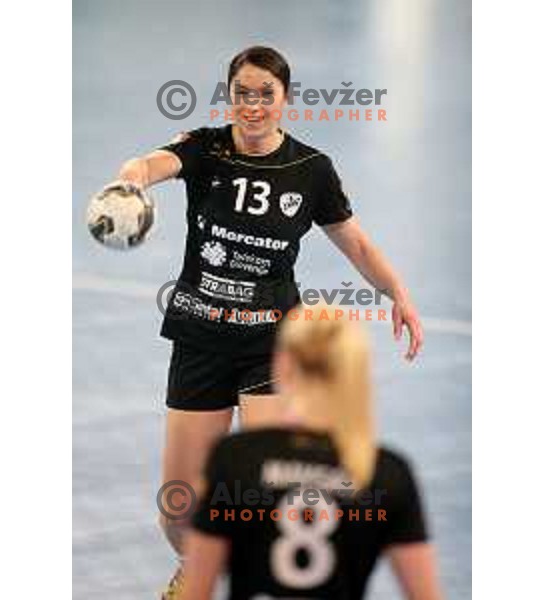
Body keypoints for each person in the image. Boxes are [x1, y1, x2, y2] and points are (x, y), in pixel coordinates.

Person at [111, 46, 423, 595]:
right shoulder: (205, 148)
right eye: (241, 94)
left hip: (270, 344)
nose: (252, 106)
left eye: (265, 95)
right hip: (200, 339)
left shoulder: (310, 170)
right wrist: (130, 180)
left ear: (285, 99)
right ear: (229, 96)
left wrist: (396, 291)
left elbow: (357, 244)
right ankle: (199, 565)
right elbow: (151, 164)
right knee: (176, 508)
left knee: (266, 487)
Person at [179, 304, 442, 599]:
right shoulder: (385, 473)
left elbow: (196, 594)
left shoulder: (235, 459)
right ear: (356, 372)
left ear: (281, 365)